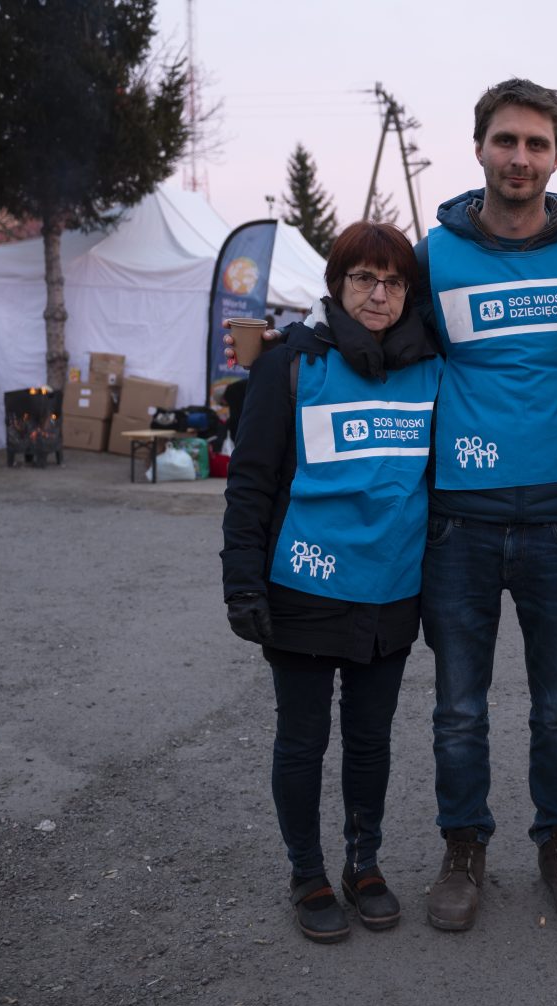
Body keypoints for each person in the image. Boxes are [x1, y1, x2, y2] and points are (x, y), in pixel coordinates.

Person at [412, 78, 557, 932]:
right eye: (506, 141)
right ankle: (464, 846)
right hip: (460, 518)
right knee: (459, 704)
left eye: (536, 144)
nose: (520, 157)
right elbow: (376, 329)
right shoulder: (434, 255)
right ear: (480, 148)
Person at [220, 222, 442, 943]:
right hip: (303, 589)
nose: (378, 294)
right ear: (337, 285)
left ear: (410, 293)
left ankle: (363, 864)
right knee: (303, 740)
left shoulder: (430, 369)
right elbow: (250, 483)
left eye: (393, 281)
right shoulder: (289, 366)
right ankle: (307, 871)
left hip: (390, 593)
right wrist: (241, 584)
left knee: (370, 740)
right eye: (362, 279)